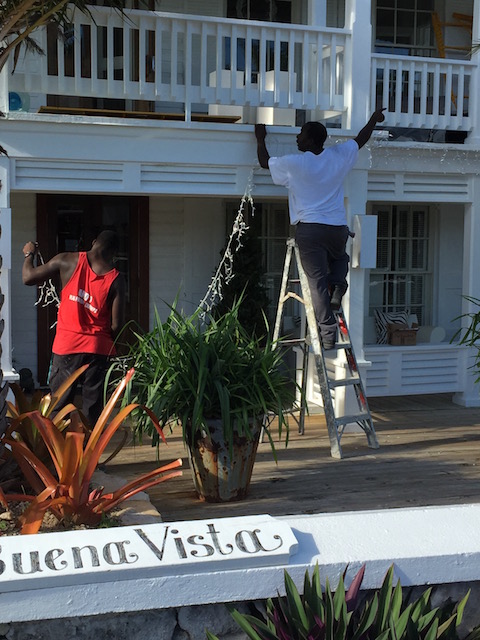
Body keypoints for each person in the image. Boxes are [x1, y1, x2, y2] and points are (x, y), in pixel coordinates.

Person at [255, 108, 386, 350]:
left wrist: (260, 138)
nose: (297, 137)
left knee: (316, 283)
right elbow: (360, 139)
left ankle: (328, 335)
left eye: (302, 134)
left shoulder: (295, 163)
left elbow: (264, 163)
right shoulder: (337, 156)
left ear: (312, 139)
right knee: (340, 258)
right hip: (337, 228)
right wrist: (373, 119)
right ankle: (338, 285)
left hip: (311, 231)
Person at [22, 230, 126, 425]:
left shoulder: (67, 260)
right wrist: (112, 346)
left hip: (67, 348)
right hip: (97, 350)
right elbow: (116, 324)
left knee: (58, 407)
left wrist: (29, 254)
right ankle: (87, 454)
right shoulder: (116, 279)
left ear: (94, 242)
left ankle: (56, 453)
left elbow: (28, 277)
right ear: (114, 253)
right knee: (92, 411)